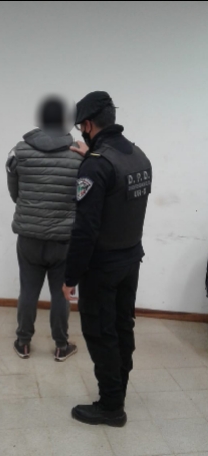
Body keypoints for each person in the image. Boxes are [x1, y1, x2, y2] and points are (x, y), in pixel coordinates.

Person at [63, 91, 152, 427]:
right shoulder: (138, 156)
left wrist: (70, 277)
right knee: (121, 327)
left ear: (87, 125)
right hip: (131, 259)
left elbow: (85, 230)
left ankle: (111, 406)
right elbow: (119, 195)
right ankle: (119, 390)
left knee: (101, 334)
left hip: (102, 268)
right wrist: (92, 157)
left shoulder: (97, 165)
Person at [6, 96, 81, 361]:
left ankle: (23, 342)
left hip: (29, 237)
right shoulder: (78, 154)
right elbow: (82, 196)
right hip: (64, 239)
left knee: (28, 291)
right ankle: (61, 346)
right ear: (64, 121)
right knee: (62, 294)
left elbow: (15, 193)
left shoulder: (20, 150)